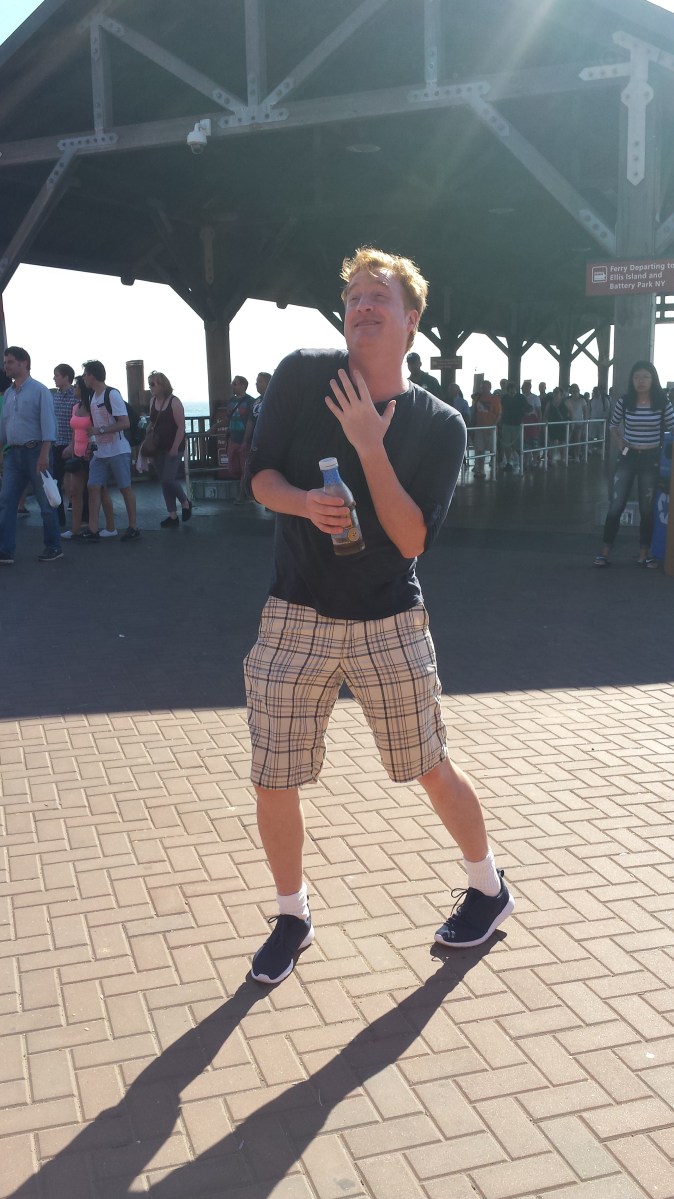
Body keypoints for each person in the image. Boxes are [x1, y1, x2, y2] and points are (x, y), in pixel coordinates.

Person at [244, 247, 514, 986]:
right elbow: (259, 477)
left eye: (379, 297)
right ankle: (292, 914)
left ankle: (489, 887)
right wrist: (303, 502)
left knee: (428, 764)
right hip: (295, 611)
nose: (362, 306)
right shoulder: (303, 376)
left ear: (411, 320)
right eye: (354, 297)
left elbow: (411, 538)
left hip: (388, 618)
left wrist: (369, 443)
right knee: (274, 774)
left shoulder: (440, 423)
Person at [594, 360, 674, 569]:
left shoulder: (662, 402)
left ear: (653, 379)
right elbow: (613, 425)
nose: (641, 381)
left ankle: (644, 554)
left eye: (646, 376)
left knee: (647, 509)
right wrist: (620, 442)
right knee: (616, 505)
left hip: (651, 458)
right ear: (632, 380)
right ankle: (605, 552)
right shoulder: (625, 401)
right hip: (628, 457)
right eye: (637, 376)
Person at [0, 346, 62, 563]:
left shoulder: (40, 391)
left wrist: (44, 455)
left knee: (46, 504)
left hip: (36, 452)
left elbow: (48, 425)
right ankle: (5, 550)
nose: (5, 366)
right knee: (6, 501)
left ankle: (53, 546)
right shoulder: (9, 394)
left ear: (24, 362)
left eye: (9, 362)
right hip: (13, 454)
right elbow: (4, 426)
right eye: (5, 362)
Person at [80, 360, 140, 542]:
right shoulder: (93, 397)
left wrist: (99, 431)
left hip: (118, 450)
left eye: (85, 374)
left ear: (92, 375)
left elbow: (125, 422)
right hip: (100, 451)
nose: (83, 378)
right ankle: (93, 528)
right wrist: (92, 442)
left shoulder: (112, 394)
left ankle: (133, 527)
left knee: (125, 488)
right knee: (93, 486)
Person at [61, 375, 115, 539]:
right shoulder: (75, 407)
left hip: (92, 455)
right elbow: (74, 431)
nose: (74, 388)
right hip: (77, 454)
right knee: (75, 492)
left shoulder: (93, 408)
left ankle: (110, 527)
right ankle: (75, 529)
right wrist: (71, 447)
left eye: (76, 386)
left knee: (101, 491)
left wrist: (91, 447)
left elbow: (97, 428)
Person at [146, 371, 192, 527]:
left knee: (168, 478)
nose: (150, 387)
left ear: (162, 385)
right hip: (158, 447)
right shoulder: (152, 401)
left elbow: (181, 427)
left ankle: (185, 502)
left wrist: (175, 447)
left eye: (153, 384)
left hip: (174, 446)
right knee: (164, 481)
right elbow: (153, 421)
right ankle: (172, 515)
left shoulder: (174, 402)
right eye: (149, 384)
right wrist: (147, 431)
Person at [52, 363, 76, 528]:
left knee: (74, 481)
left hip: (72, 444)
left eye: (57, 375)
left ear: (66, 377)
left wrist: (73, 445)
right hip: (57, 444)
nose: (54, 378)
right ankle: (59, 518)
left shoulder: (76, 396)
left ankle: (80, 518)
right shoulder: (55, 396)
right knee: (56, 481)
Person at [225, 376, 255, 498]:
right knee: (232, 467)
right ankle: (246, 489)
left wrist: (245, 441)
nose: (232, 385)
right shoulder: (231, 401)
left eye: (235, 383)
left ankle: (243, 494)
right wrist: (215, 427)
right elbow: (227, 418)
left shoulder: (251, 401)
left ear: (243, 385)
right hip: (233, 439)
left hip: (244, 440)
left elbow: (251, 422)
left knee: (244, 468)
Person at [471, 380, 500, 477]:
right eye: (481, 387)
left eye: (484, 387)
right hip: (479, 427)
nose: (482, 389)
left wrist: (493, 426)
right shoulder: (478, 399)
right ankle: (480, 469)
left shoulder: (494, 399)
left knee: (493, 449)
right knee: (479, 449)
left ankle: (494, 465)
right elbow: (475, 412)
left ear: (489, 387)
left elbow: (498, 414)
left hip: (490, 428)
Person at [499, 381, 528, 473]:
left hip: (517, 424)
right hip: (506, 424)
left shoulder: (521, 398)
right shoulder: (504, 398)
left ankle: (522, 462)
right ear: (508, 390)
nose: (512, 391)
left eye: (513, 389)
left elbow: (526, 409)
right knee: (507, 444)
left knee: (518, 445)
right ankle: (509, 463)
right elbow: (501, 410)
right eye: (510, 389)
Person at [544, 386, 569, 465]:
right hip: (552, 425)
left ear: (561, 394)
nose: (555, 394)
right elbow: (546, 414)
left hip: (562, 425)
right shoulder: (549, 403)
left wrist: (570, 423)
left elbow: (571, 413)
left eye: (557, 392)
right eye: (554, 392)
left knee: (562, 442)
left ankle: (563, 458)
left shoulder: (565, 402)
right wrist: (545, 422)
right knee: (552, 442)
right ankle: (551, 458)